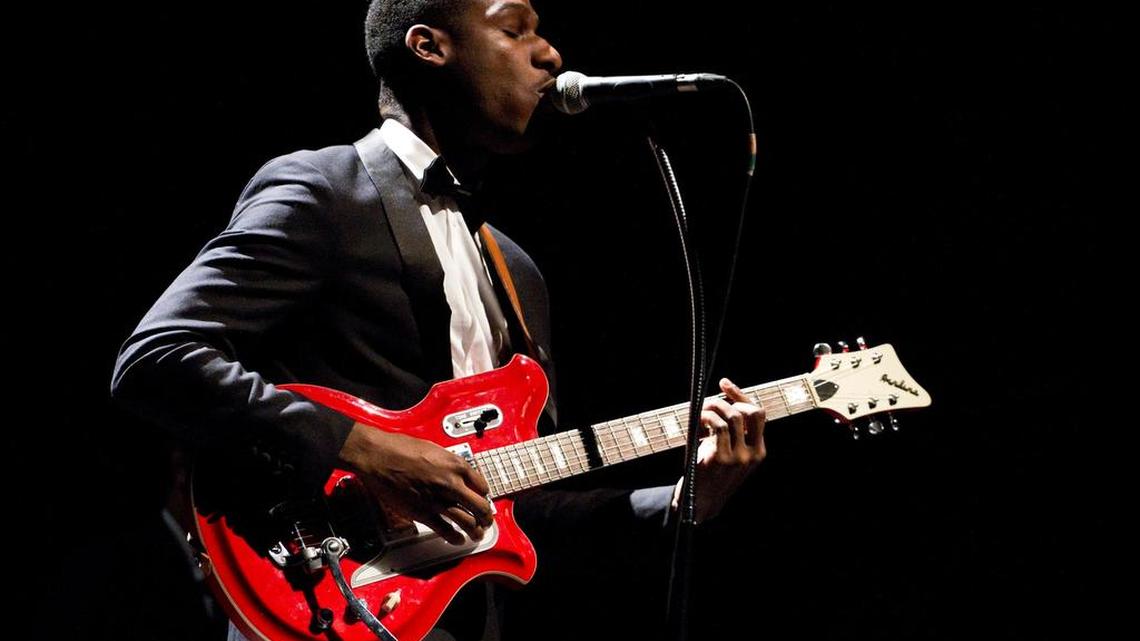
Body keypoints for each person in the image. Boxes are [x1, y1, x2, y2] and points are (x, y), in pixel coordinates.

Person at [110, 1, 767, 639]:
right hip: (318, 599)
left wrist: (683, 500)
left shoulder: (517, 271)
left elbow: (519, 502)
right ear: (428, 47)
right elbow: (156, 355)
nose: (550, 53)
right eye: (514, 29)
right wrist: (363, 447)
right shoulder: (324, 192)